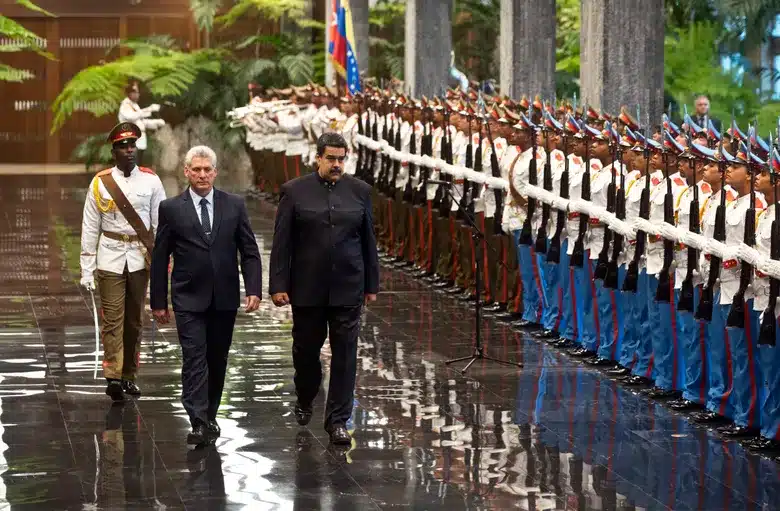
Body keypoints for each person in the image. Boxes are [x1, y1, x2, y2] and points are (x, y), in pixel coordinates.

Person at [269, 132, 380, 446]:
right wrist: (278, 285)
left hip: (348, 285)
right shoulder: (295, 192)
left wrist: (372, 283)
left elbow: (369, 242)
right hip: (308, 288)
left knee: (345, 354)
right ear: (317, 157)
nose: (336, 165)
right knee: (306, 352)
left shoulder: (360, 191)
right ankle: (305, 396)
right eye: (331, 158)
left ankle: (338, 421)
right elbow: (282, 243)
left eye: (341, 159)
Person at [149, 145, 262, 449]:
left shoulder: (234, 205)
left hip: (225, 297)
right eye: (195, 169)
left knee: (218, 359)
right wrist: (158, 301)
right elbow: (160, 257)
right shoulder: (171, 209)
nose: (201, 174)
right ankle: (198, 420)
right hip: (188, 298)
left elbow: (249, 252)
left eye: (206, 169)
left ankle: (210, 414)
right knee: (194, 357)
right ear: (186, 172)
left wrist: (253, 289)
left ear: (215, 172)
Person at [80, 122, 166, 401]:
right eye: (122, 146)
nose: (129, 151)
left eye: (132, 145)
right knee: (113, 319)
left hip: (139, 258)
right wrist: (86, 267)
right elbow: (90, 226)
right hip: (110, 256)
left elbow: (161, 223)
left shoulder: (151, 181)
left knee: (134, 321)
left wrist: (164, 259)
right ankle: (113, 376)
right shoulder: (100, 182)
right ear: (113, 150)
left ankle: (129, 375)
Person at [118, 81, 166, 165]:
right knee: (132, 167)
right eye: (136, 92)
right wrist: (149, 109)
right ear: (130, 93)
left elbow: (141, 122)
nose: (138, 94)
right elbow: (132, 116)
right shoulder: (125, 105)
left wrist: (156, 123)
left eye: (138, 92)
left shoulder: (135, 105)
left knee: (138, 165)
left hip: (140, 141)